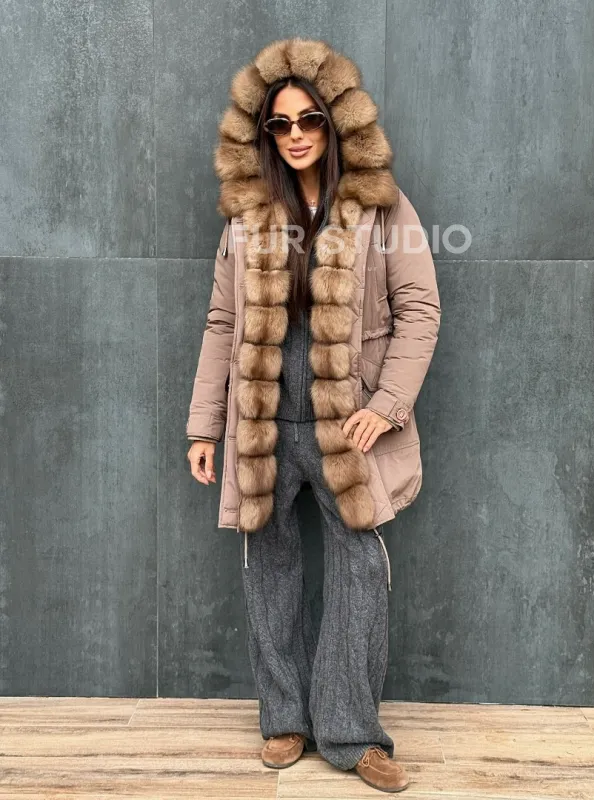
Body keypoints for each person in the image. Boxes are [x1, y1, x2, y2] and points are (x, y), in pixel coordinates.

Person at [186, 37, 441, 794]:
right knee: (268, 565)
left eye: (309, 120)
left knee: (360, 569)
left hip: (346, 423)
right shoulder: (247, 214)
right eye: (280, 123)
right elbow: (222, 322)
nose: (295, 134)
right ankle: (285, 719)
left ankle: (351, 731)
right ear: (264, 133)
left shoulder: (381, 205)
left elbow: (419, 311)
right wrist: (205, 425)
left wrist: (386, 407)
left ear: (334, 124)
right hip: (262, 422)